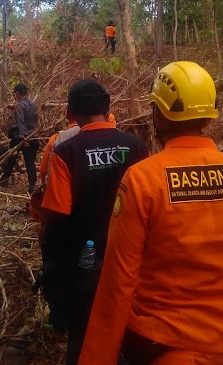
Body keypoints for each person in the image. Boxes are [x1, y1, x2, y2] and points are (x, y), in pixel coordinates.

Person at [78, 61, 223, 365]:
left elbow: (117, 282)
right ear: (207, 115)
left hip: (165, 346)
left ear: (158, 115)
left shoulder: (143, 180)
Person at [38, 79, 148, 365]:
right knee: (129, 331)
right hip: (131, 260)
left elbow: (58, 215)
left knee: (84, 336)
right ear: (108, 108)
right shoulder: (136, 146)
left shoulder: (67, 151)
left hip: (83, 265)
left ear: (70, 113)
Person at [9, 83, 39, 194]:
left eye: (15, 93)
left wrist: (23, 138)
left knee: (11, 155)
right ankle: (32, 185)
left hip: (22, 137)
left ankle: (5, 178)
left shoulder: (19, 105)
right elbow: (34, 119)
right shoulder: (32, 103)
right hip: (33, 135)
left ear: (17, 93)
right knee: (30, 162)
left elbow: (21, 123)